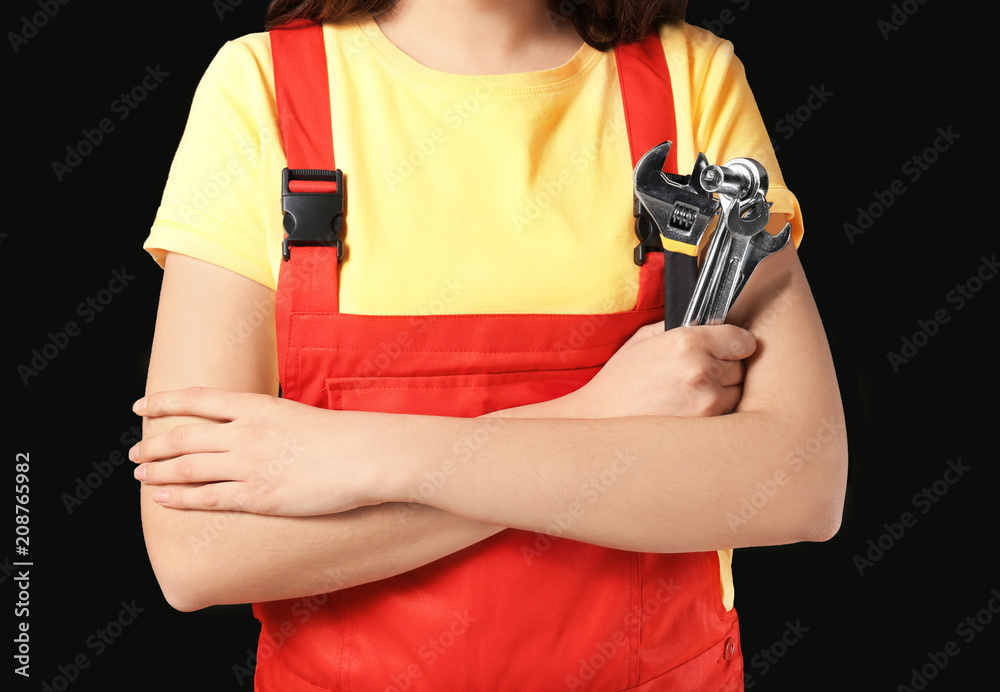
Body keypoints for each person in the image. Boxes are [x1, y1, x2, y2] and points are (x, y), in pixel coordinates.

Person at [131, 0, 847, 689]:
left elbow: (801, 486)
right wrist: (594, 416)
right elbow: (198, 555)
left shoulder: (690, 78)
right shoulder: (262, 89)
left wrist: (355, 456)